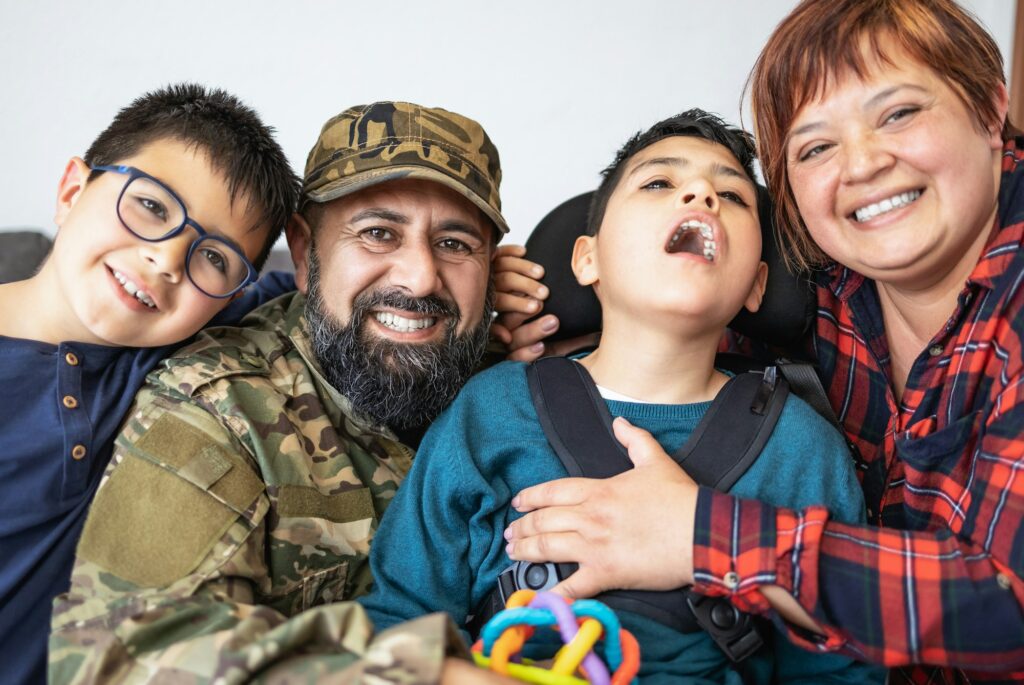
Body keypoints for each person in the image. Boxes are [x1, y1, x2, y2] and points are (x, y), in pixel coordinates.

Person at [502, 0, 1024, 681]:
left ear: (990, 110)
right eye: (815, 147)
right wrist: (492, 307)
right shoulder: (824, 290)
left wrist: (696, 533)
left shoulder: (801, 446)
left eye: (898, 113)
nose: (862, 164)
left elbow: (1006, 609)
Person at [357, 109, 885, 683]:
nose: (701, 195)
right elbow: (398, 615)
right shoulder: (491, 411)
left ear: (758, 284)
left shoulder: (802, 448)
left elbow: (840, 672)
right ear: (588, 259)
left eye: (732, 196)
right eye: (660, 182)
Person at [49, 101, 537, 684]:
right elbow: (123, 654)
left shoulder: (525, 376)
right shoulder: (226, 405)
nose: (420, 278)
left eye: (456, 244)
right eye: (378, 234)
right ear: (305, 253)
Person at [0, 83, 300, 684]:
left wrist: (481, 290)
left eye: (213, 258)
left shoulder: (182, 350)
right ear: (70, 190)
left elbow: (341, 289)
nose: (167, 259)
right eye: (153, 208)